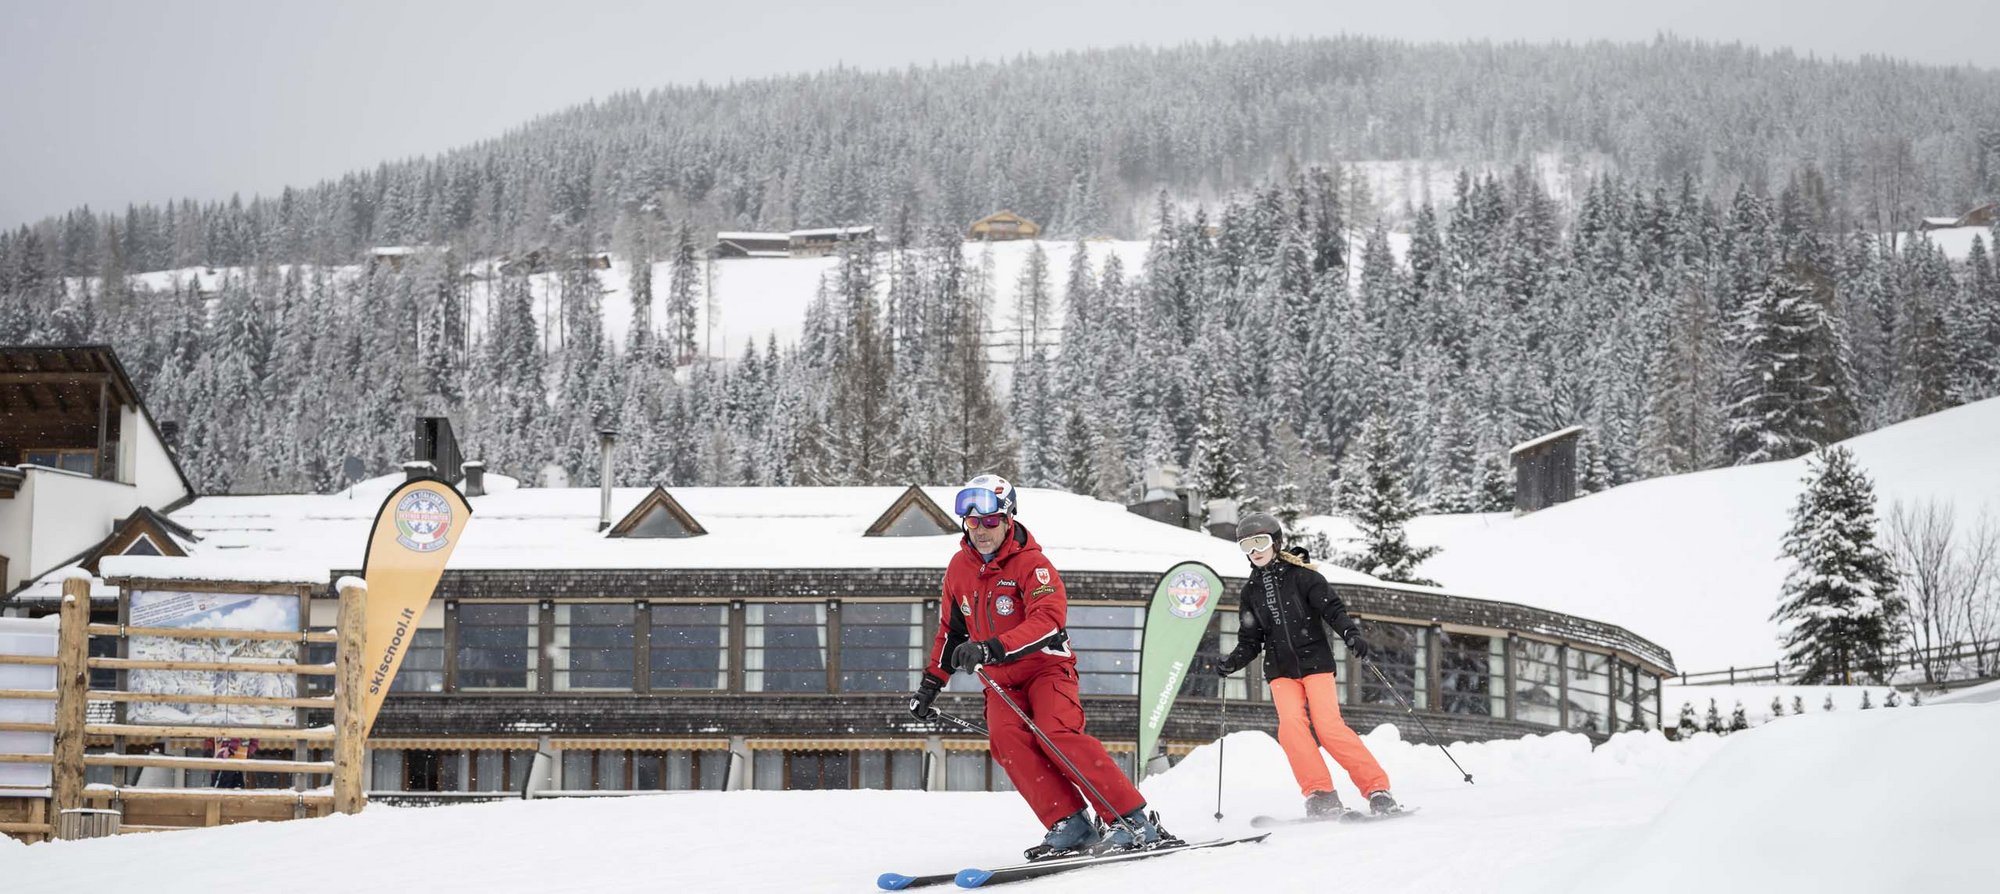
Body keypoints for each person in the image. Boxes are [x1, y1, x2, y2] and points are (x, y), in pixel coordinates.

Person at [908, 474, 1172, 857]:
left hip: (1046, 670)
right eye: (973, 522)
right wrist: (931, 684)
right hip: (1000, 681)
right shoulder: (958, 568)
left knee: (1057, 733)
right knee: (1007, 742)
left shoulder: (1033, 565)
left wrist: (992, 647)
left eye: (990, 521)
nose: (981, 530)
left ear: (1008, 519)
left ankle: (1131, 820)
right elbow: (951, 631)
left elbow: (1048, 620)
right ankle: (1070, 823)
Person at [1216, 512, 1399, 817]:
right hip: (1280, 669)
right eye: (1246, 545)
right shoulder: (1251, 592)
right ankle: (1321, 793)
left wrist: (1351, 634)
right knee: (1291, 728)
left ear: (1275, 542)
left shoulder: (1303, 577)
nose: (1255, 550)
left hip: (1315, 663)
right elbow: (1251, 638)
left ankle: (1377, 788)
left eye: (1260, 541)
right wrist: (1233, 661)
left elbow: (1332, 609)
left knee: (1329, 728)